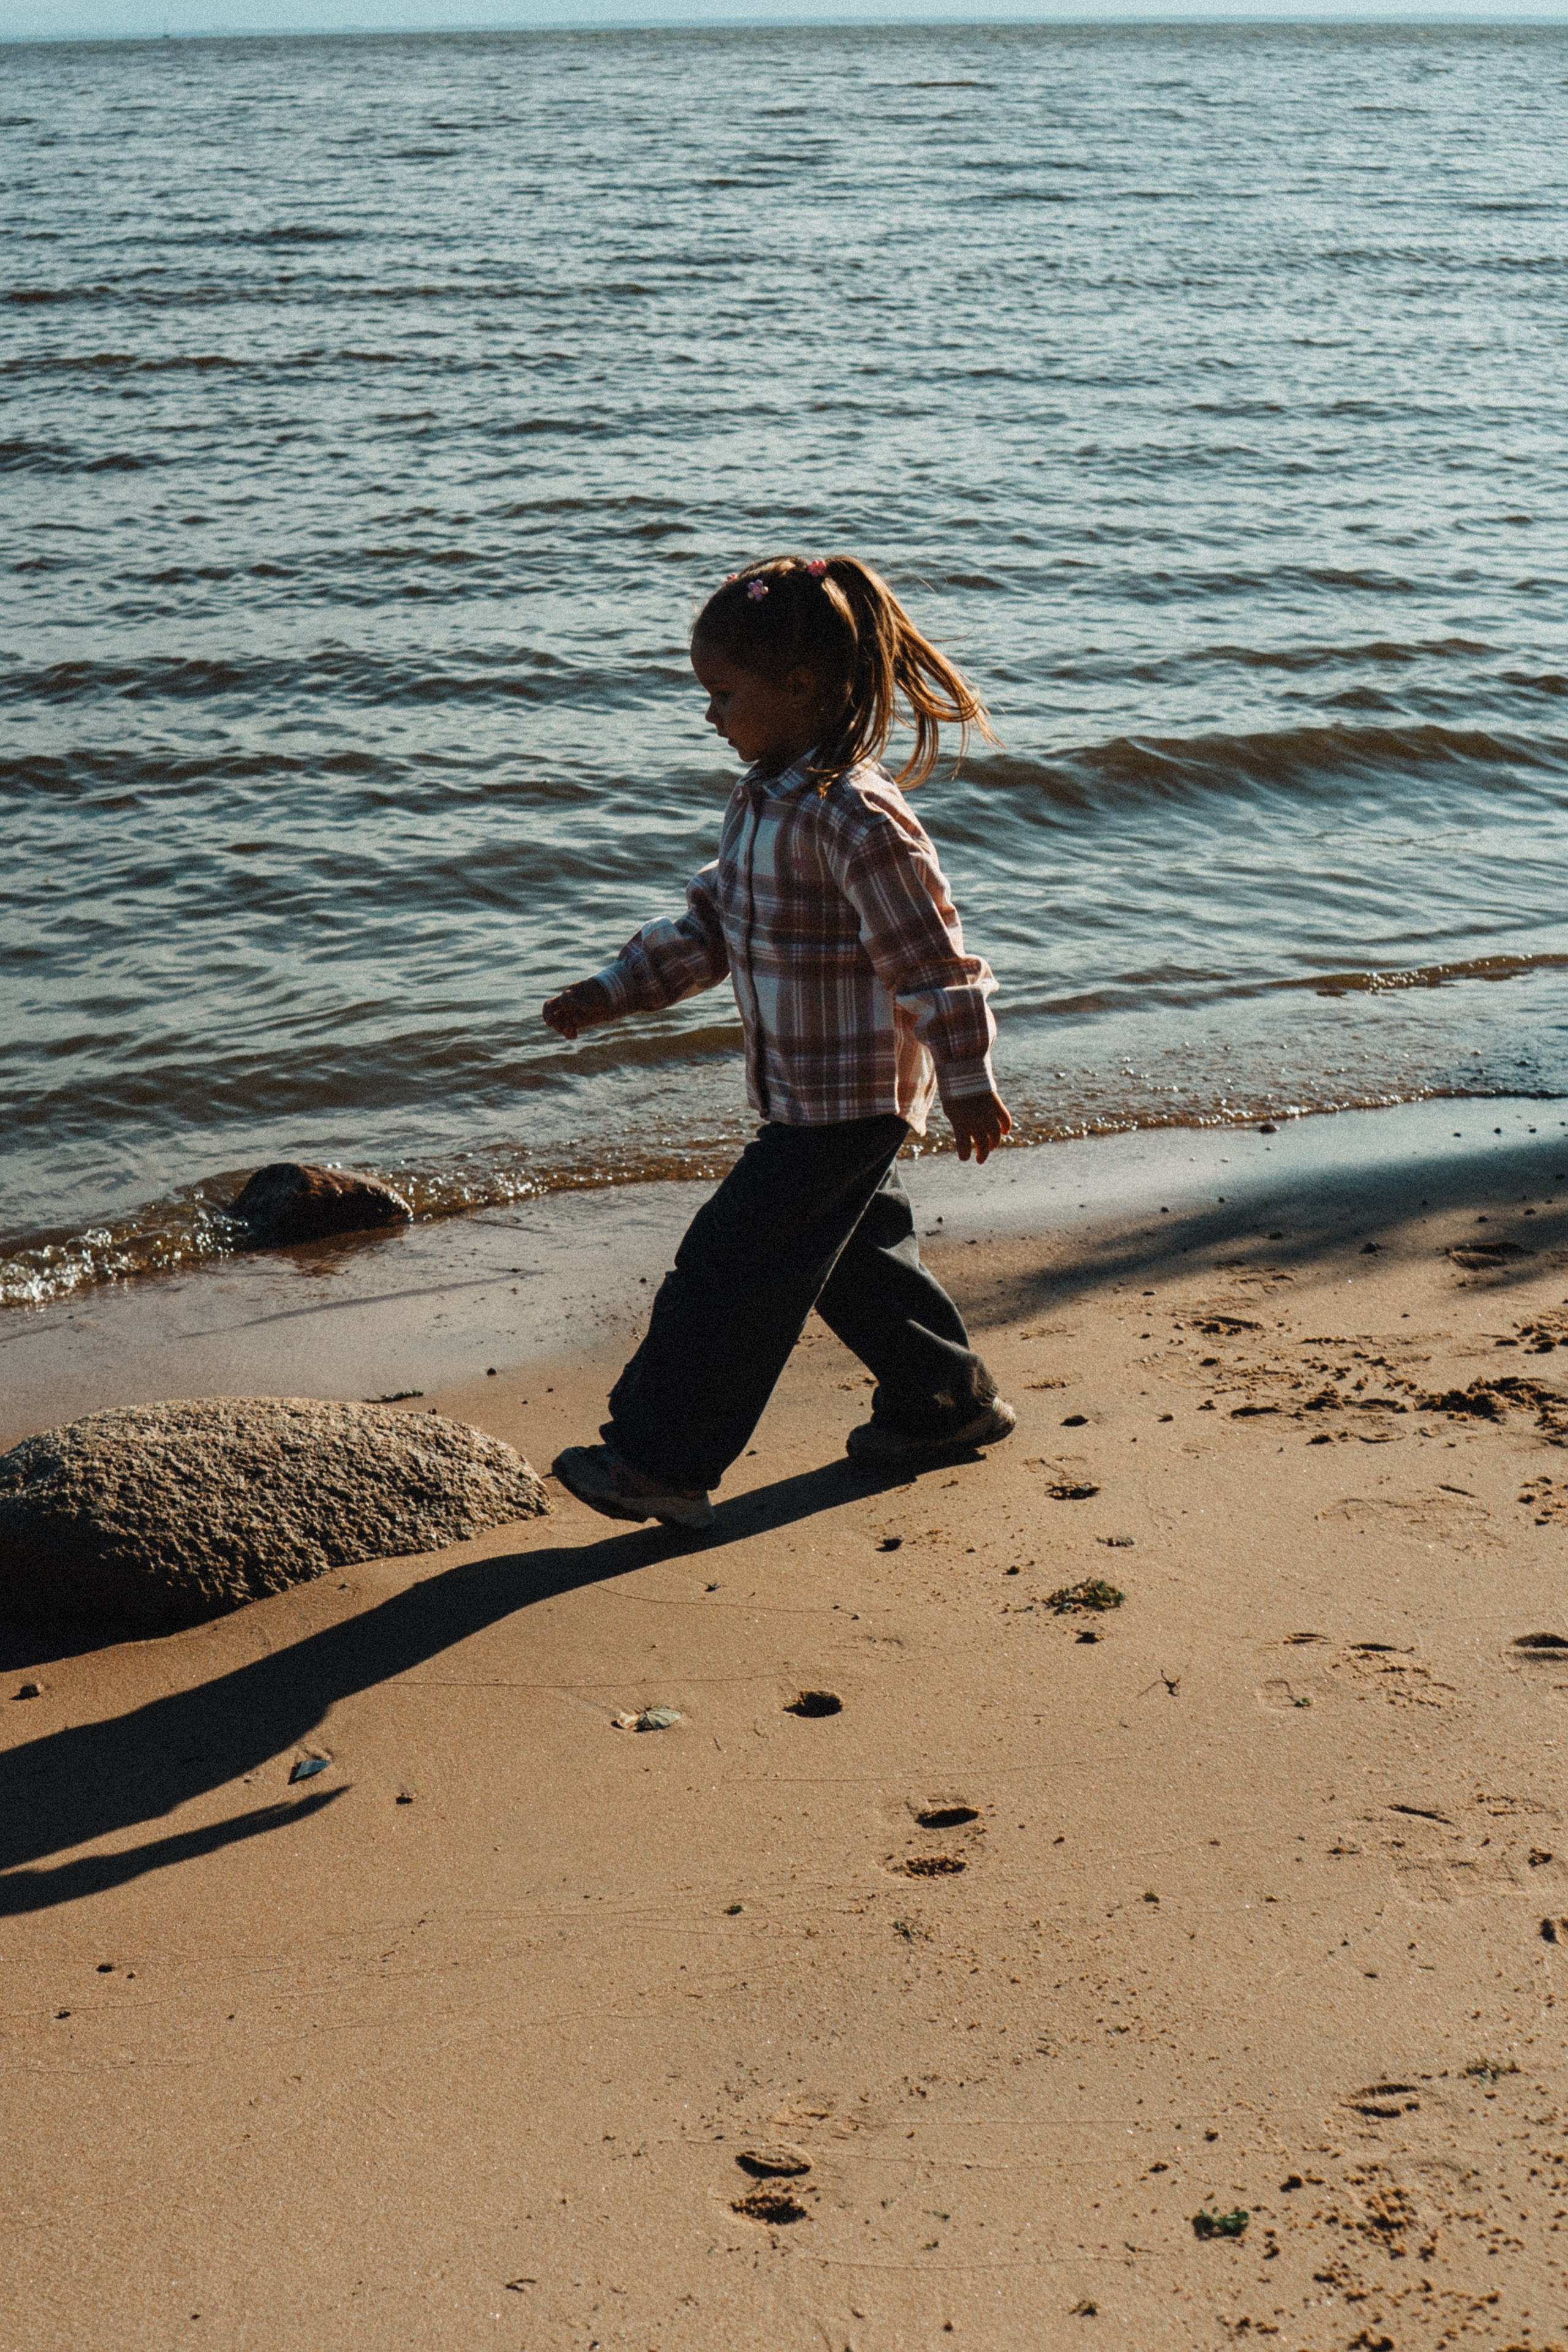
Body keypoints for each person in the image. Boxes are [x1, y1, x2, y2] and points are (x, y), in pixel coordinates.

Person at [543, 552, 1016, 1529]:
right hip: (809, 1095)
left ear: (799, 688)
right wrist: (611, 991)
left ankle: (660, 1461)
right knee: (852, 1256)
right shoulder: (764, 799)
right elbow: (709, 927)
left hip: (848, 1102)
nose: (709, 715)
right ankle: (945, 1402)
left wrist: (967, 1073)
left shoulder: (857, 817)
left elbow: (933, 961)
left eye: (722, 694)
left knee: (731, 1271)